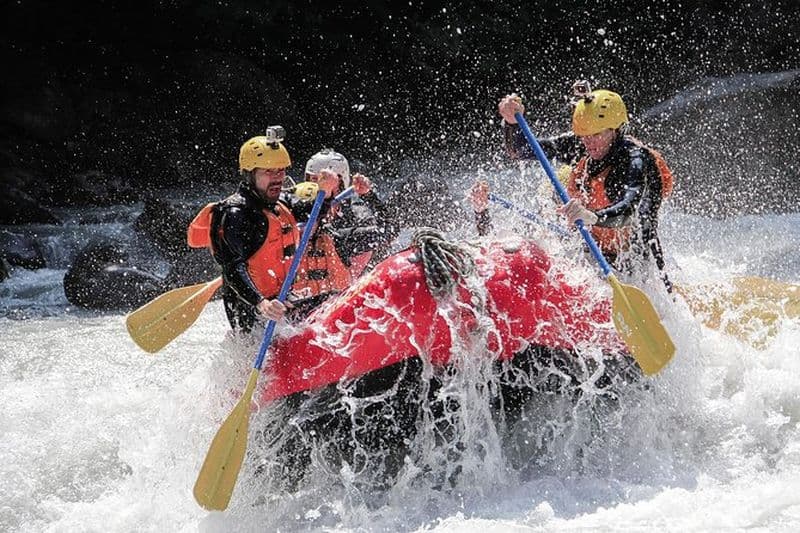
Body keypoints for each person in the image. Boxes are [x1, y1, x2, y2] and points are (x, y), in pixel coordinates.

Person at [470, 82, 674, 288]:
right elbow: (522, 150)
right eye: (585, 135)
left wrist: (592, 217)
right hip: (593, 244)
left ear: (615, 130)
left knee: (635, 253)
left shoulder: (636, 160)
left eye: (597, 135)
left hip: (634, 255)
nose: (589, 142)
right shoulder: (580, 145)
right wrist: (512, 123)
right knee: (562, 192)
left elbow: (630, 209)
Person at [187, 127, 340, 333]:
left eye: (281, 170)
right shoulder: (235, 214)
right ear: (250, 174)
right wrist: (261, 304)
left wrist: (326, 192)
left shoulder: (280, 203)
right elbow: (232, 269)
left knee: (337, 300)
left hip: (282, 301)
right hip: (251, 310)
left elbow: (313, 211)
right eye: (269, 171)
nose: (277, 177)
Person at [283, 148, 397, 319]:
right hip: (300, 303)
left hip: (341, 290)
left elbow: (389, 229)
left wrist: (368, 196)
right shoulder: (291, 210)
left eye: (328, 180)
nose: (321, 185)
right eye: (314, 180)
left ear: (342, 184)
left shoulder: (353, 224)